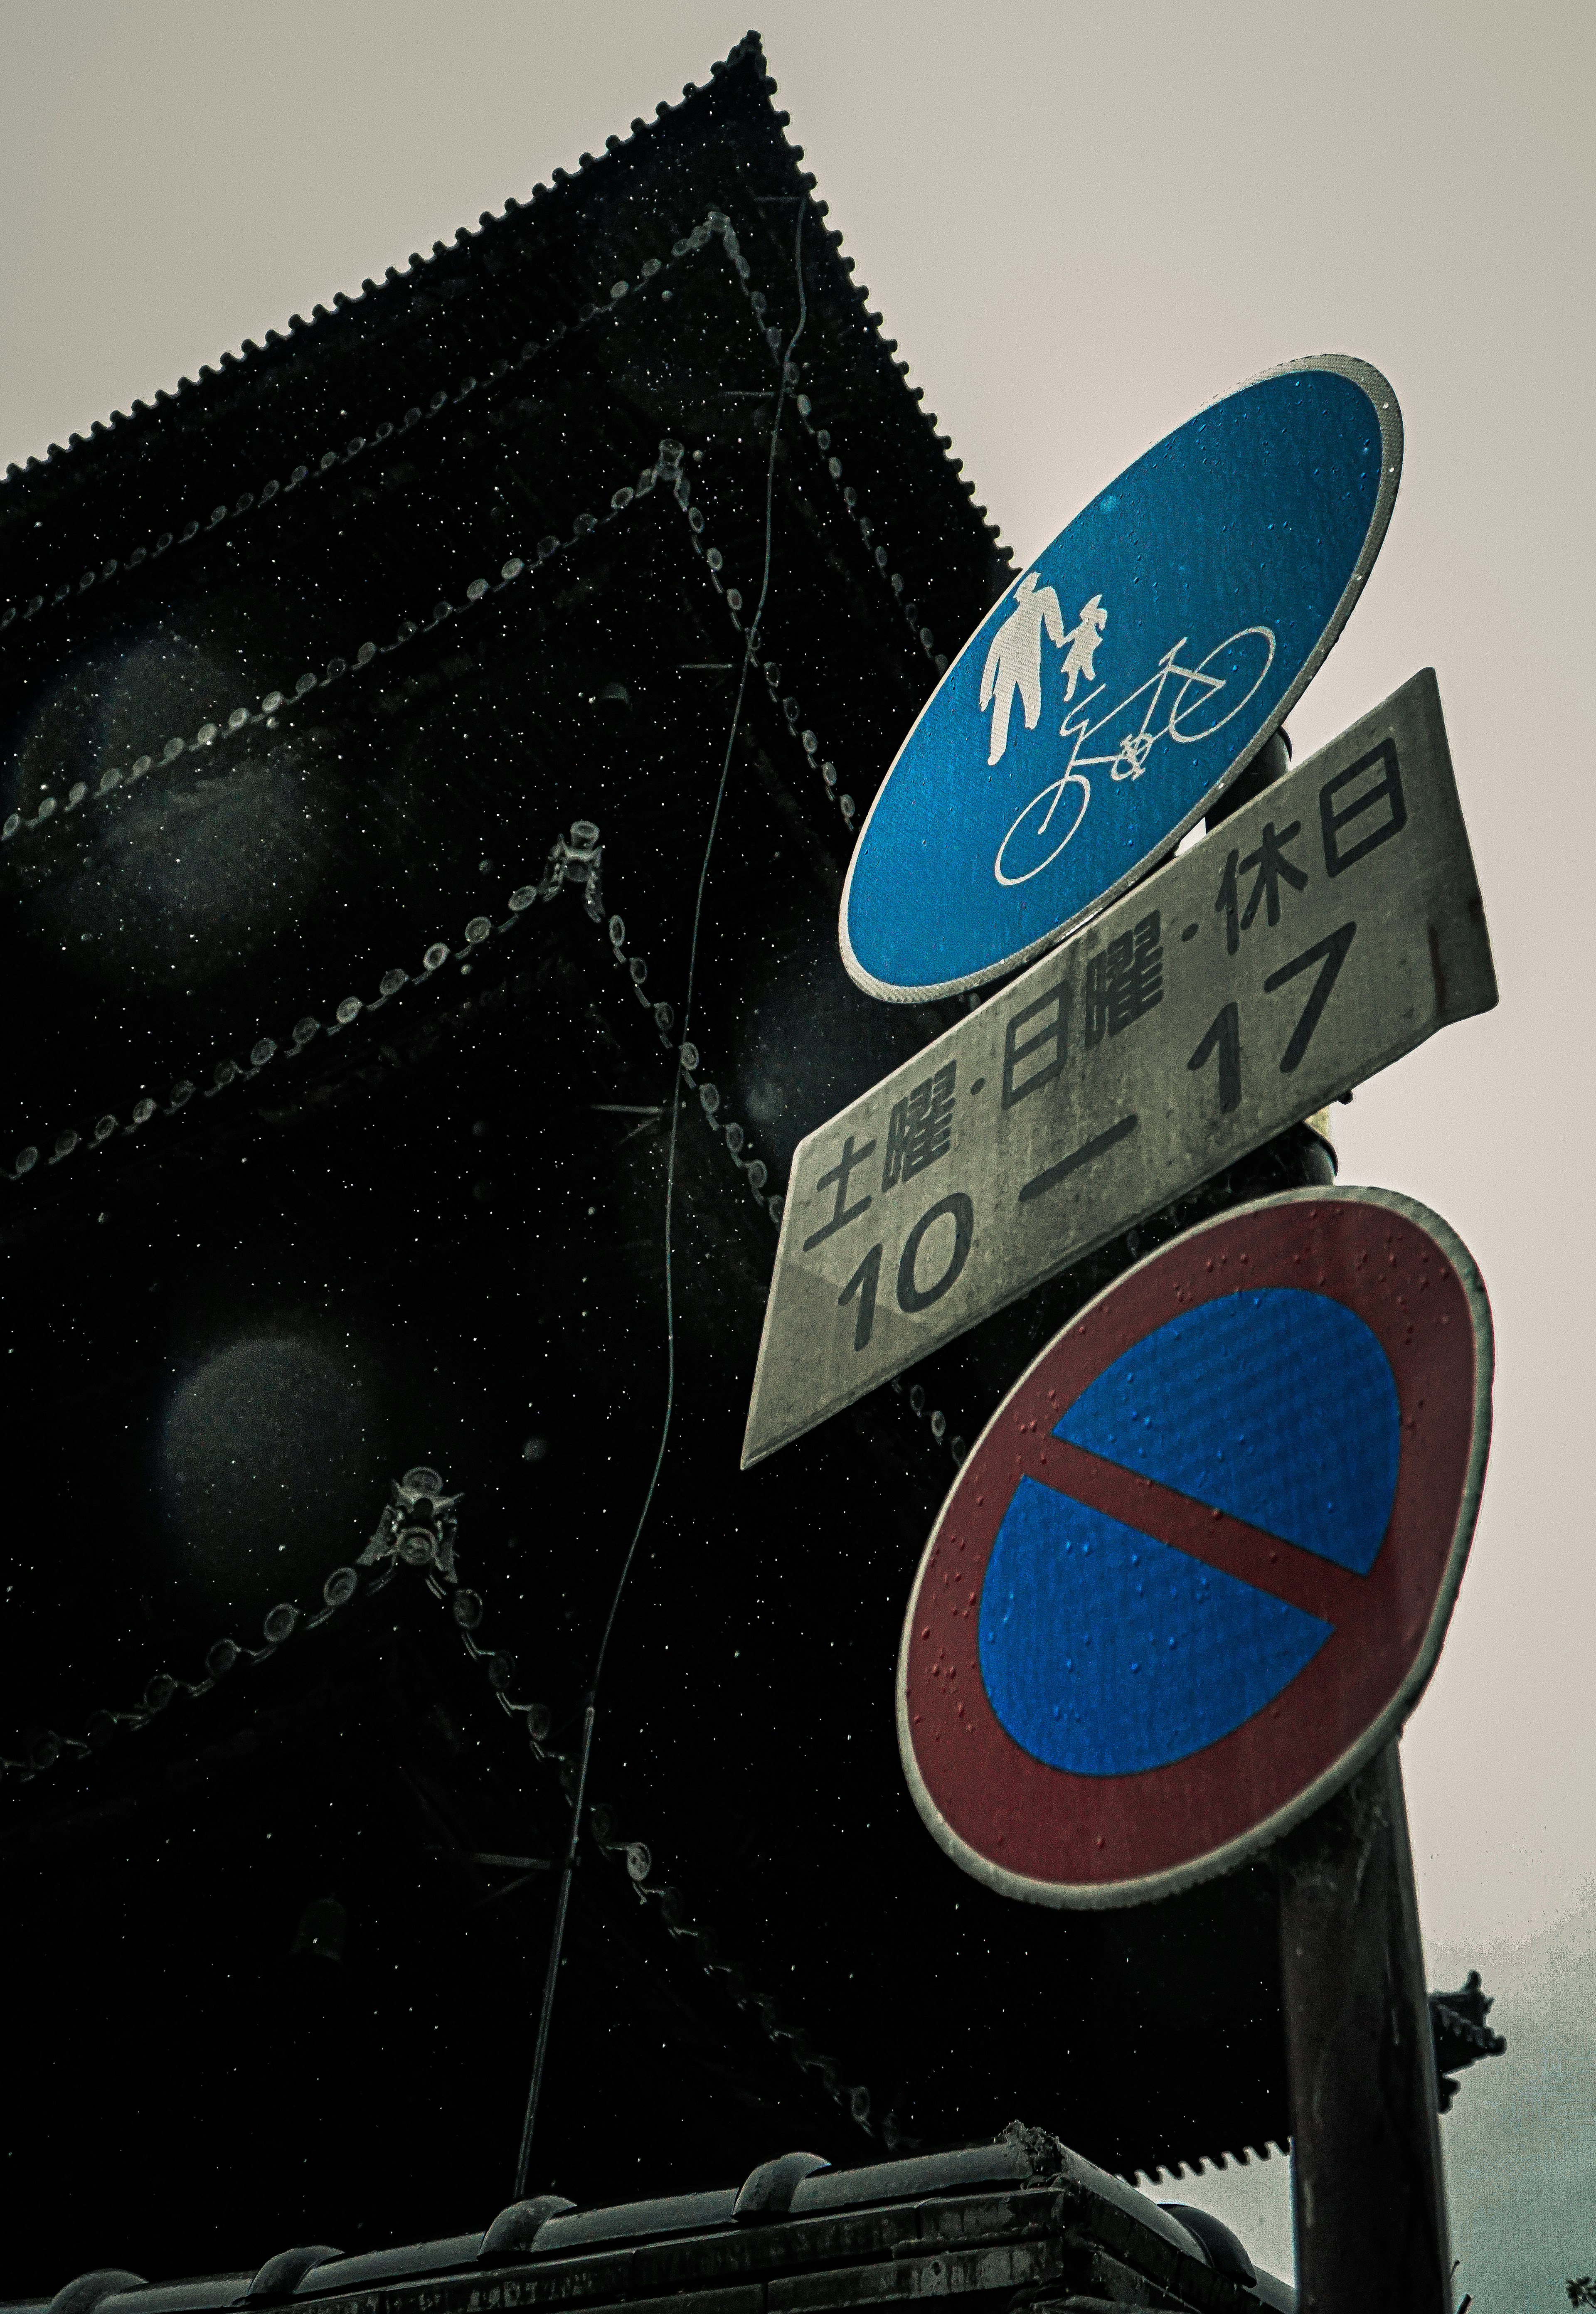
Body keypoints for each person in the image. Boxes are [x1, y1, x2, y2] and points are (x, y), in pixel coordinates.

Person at [979, 571, 1065, 765]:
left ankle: (1033, 741)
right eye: (1023, 593)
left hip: (1028, 665)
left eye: (1028, 589)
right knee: (1004, 706)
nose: (1024, 595)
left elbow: (1051, 606)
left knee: (1032, 703)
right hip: (1009, 669)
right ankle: (998, 751)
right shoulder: (1008, 626)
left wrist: (1059, 637)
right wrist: (985, 695)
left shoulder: (1041, 599)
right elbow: (992, 660)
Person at [1060, 593, 1108, 703]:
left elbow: (1074, 635)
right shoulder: (1084, 628)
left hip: (1084, 655)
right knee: (1073, 674)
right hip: (1076, 654)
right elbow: (1073, 634)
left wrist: (1064, 641)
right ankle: (1070, 693)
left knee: (1087, 673)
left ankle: (1094, 681)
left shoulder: (1092, 633)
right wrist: (1063, 641)